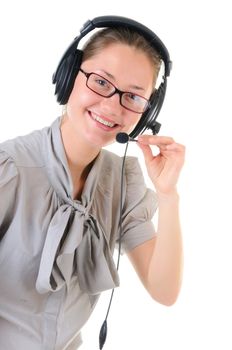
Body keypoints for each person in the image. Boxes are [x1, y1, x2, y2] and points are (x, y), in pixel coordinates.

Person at [0, 16, 185, 350]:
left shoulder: (122, 184)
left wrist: (168, 194)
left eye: (133, 96)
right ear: (69, 75)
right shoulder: (10, 169)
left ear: (147, 112)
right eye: (101, 82)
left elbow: (164, 290)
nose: (112, 105)